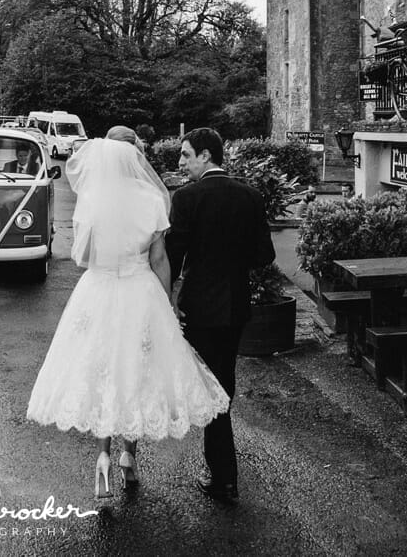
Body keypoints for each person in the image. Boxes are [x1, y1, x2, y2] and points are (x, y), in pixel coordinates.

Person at [26, 138, 230, 497]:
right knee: (136, 369)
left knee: (103, 368)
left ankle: (102, 458)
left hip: (99, 289)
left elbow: (81, 257)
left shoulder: (92, 199)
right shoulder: (151, 199)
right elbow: (159, 259)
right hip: (141, 290)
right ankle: (128, 456)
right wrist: (168, 301)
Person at [166, 127, 275, 503]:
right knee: (222, 384)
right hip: (237, 306)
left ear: (206, 155)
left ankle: (224, 477)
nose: (181, 162)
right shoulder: (250, 195)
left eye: (186, 154)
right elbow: (264, 255)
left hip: (200, 307)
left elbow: (174, 255)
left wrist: (167, 295)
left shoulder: (186, 198)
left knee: (212, 391)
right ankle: (222, 472)